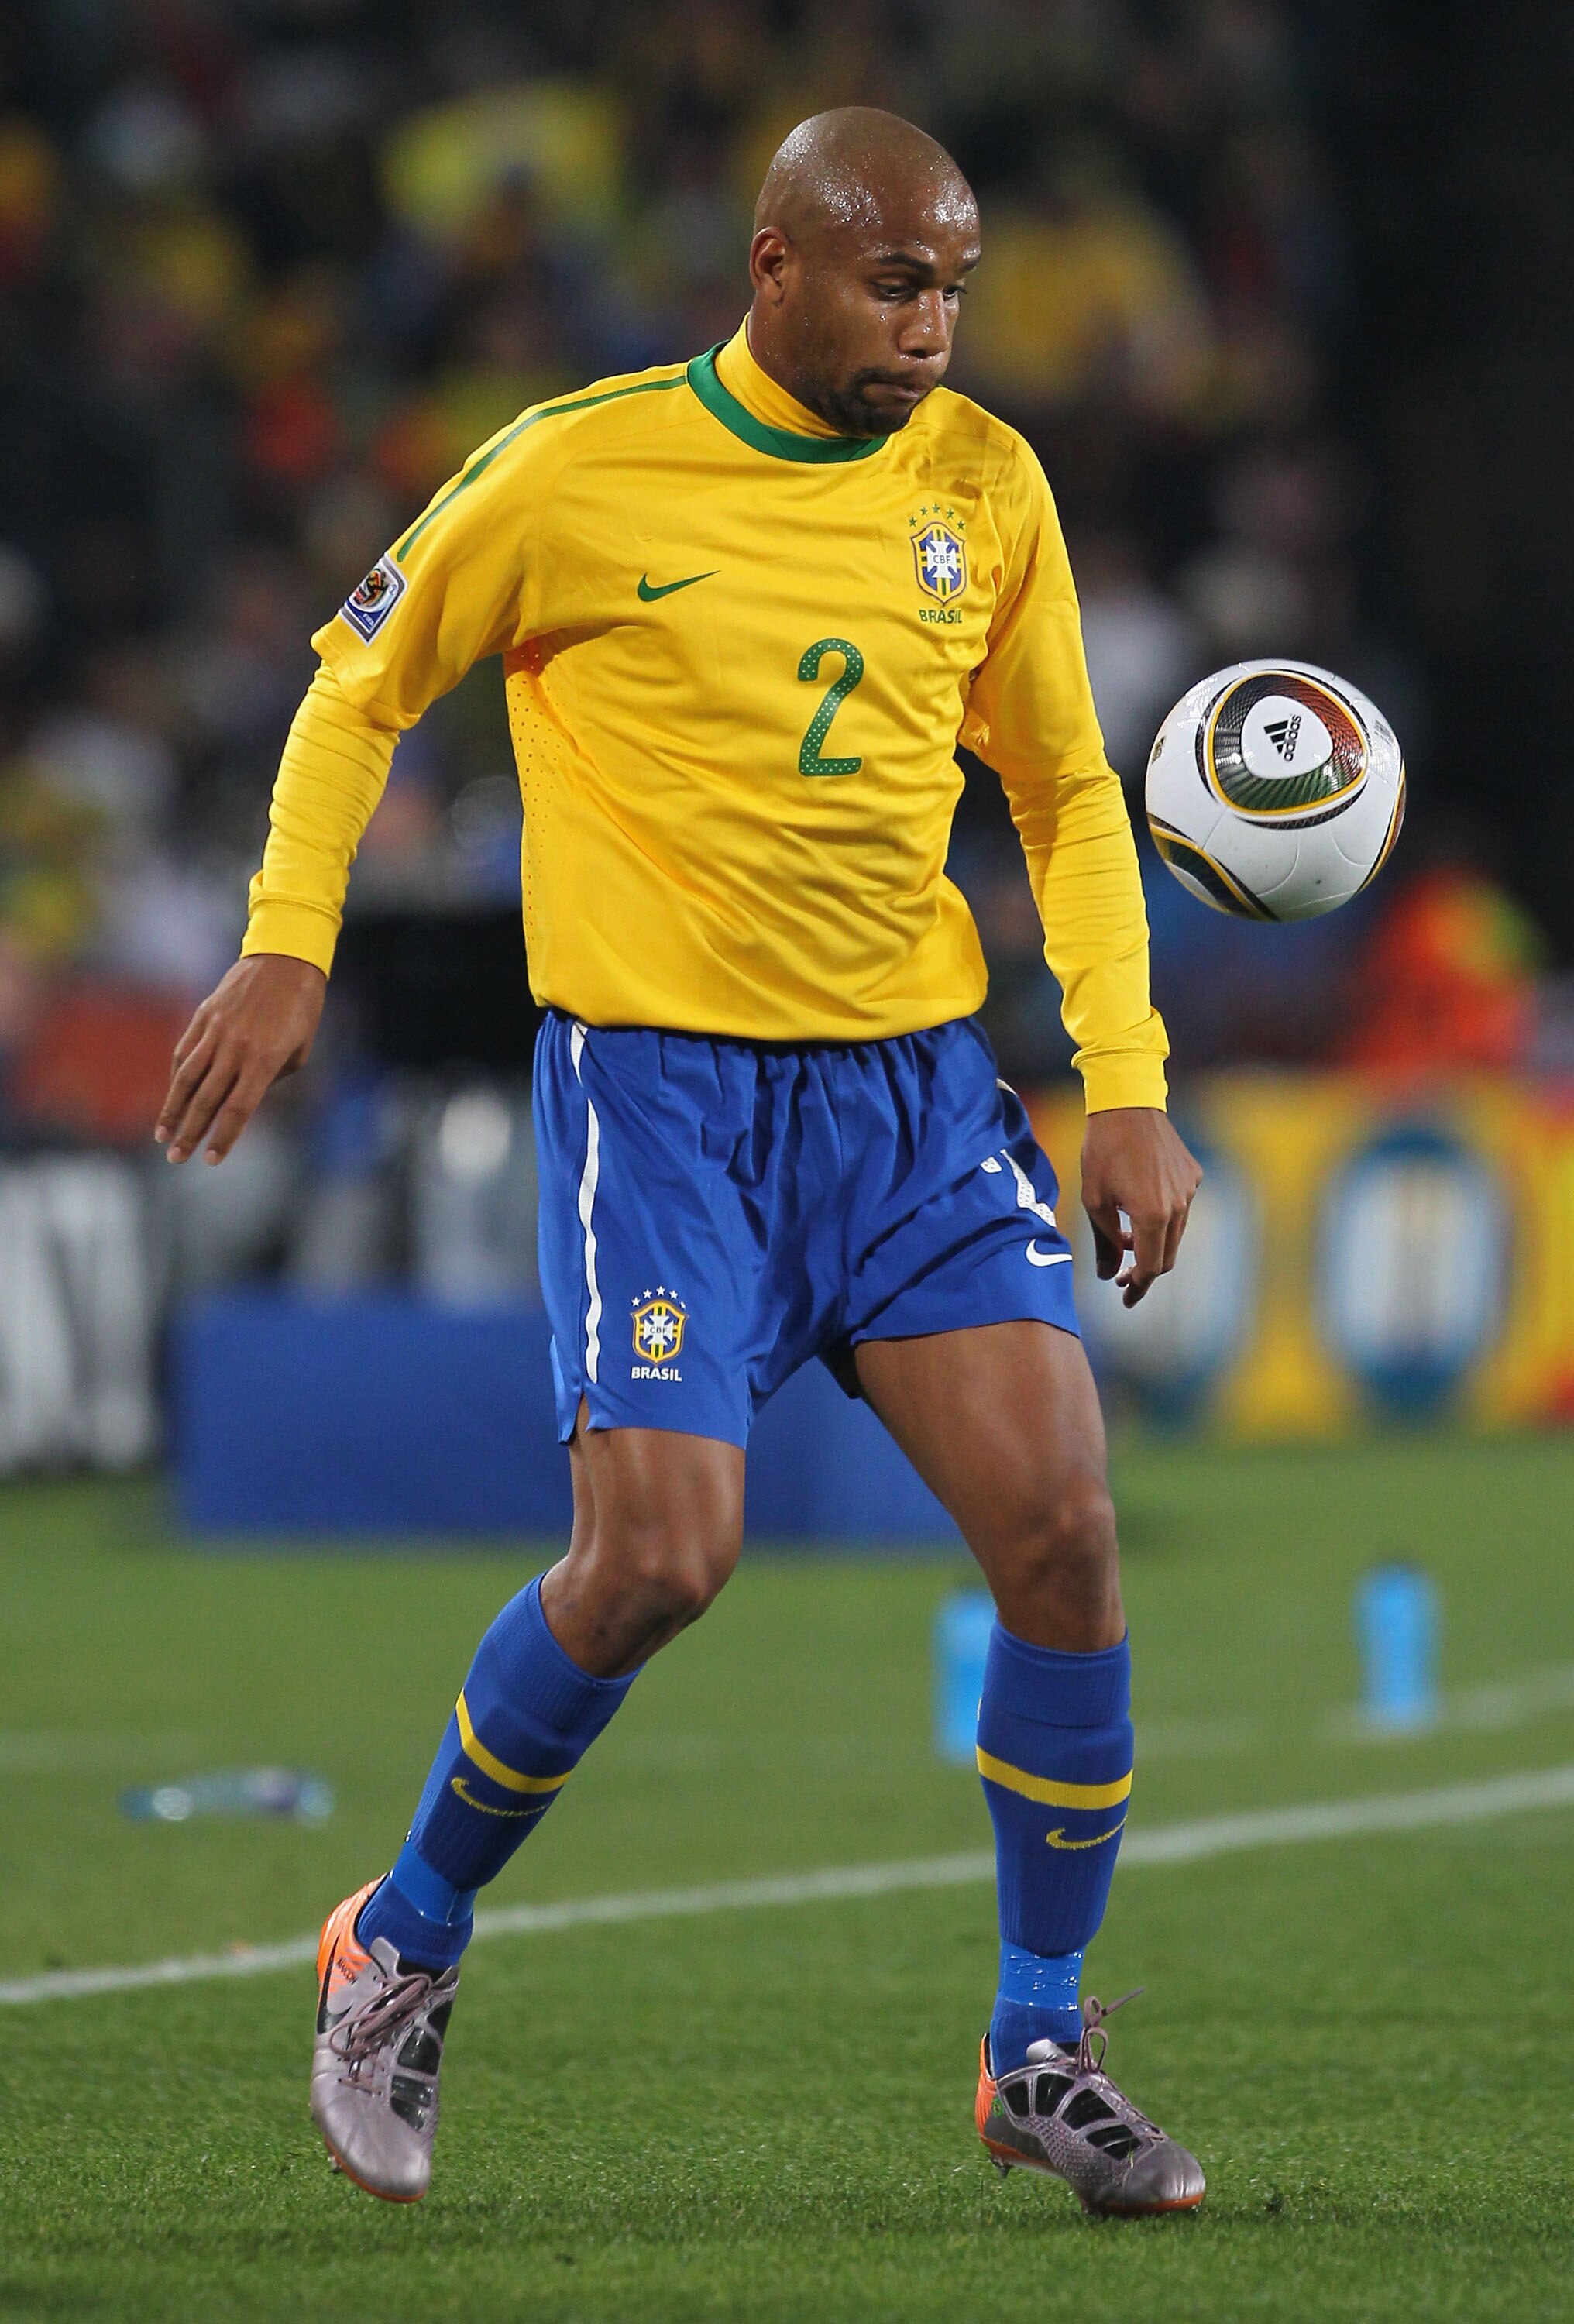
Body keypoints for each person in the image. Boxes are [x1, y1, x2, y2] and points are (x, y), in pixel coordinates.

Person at [156, 108, 1205, 2217]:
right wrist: (286, 945)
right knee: (657, 1563)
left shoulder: (987, 485)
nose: (936, 325)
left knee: (1069, 1536)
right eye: (897, 282)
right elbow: (359, 689)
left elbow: (1071, 794)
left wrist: (1127, 1075)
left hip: (910, 1104)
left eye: (958, 286)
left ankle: (1037, 2049)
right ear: (775, 269)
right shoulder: (573, 465)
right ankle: (399, 1945)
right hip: (665, 1108)